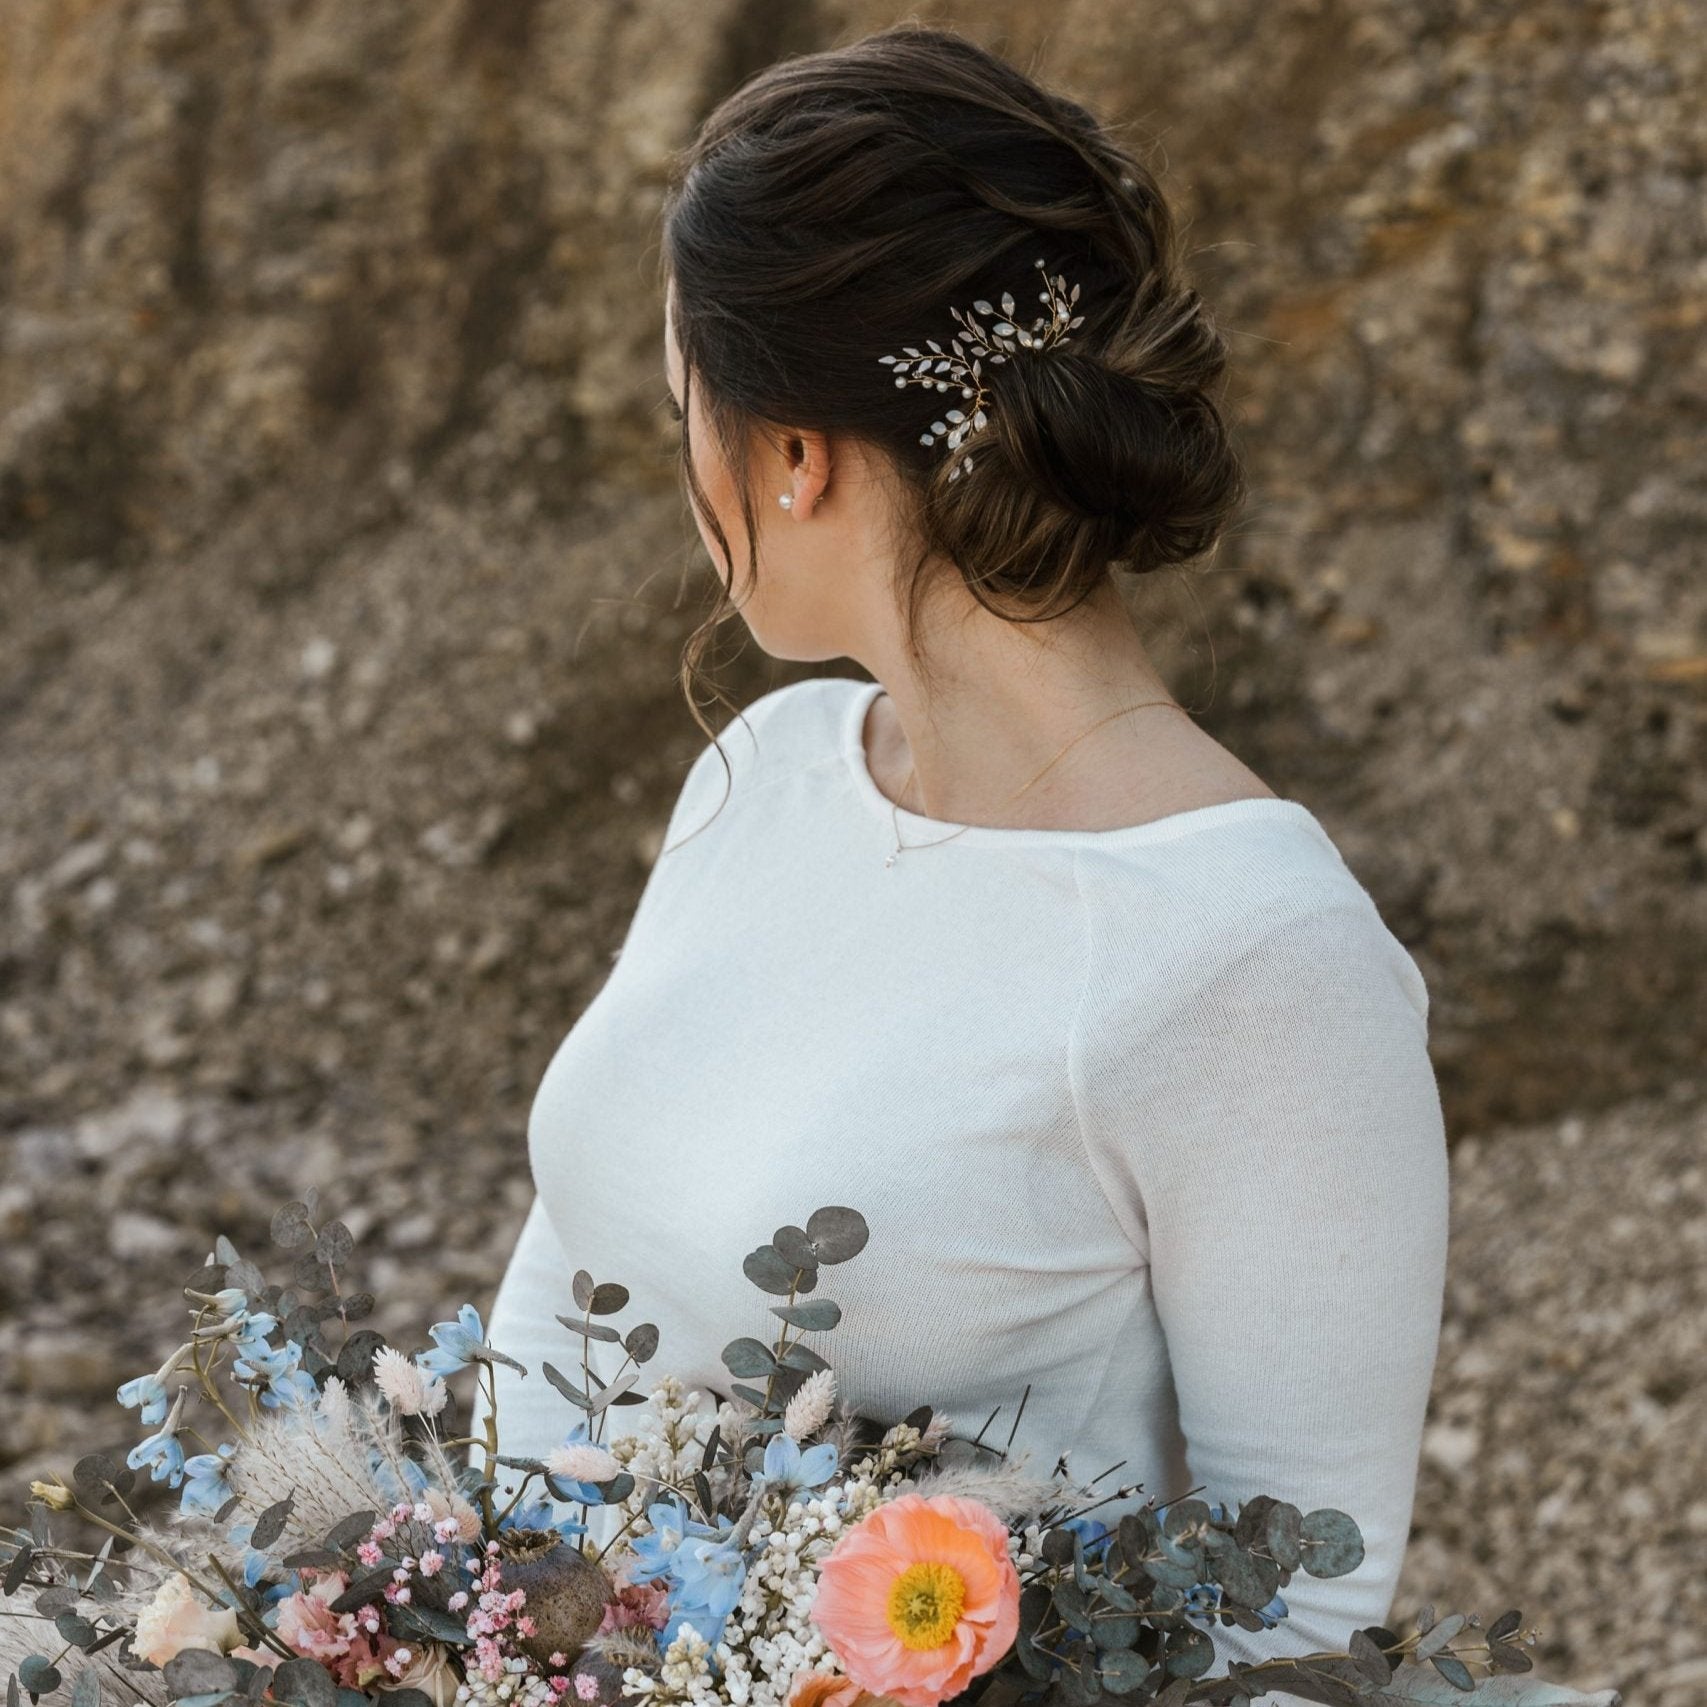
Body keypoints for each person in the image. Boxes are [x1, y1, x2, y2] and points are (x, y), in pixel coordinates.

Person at [471, 23, 1448, 1701]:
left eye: (685, 407)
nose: (683, 469)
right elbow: (572, 1268)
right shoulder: (766, 769)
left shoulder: (1258, 960)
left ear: (791, 454)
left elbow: (1295, 1631)